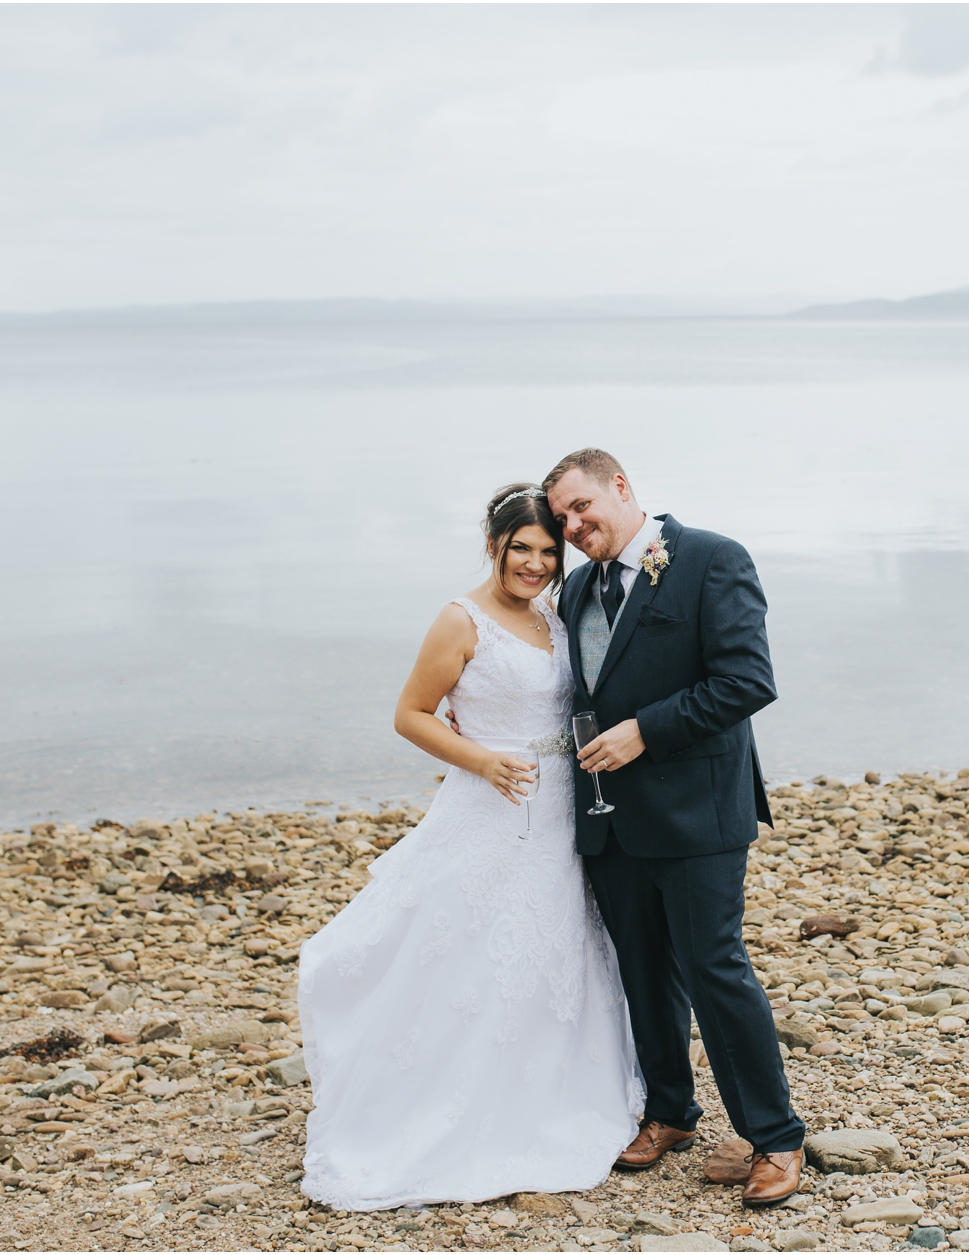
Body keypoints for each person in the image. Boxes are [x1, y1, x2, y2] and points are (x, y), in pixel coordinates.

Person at [296, 483, 642, 1210]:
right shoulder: (461, 620)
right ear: (495, 545)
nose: (537, 563)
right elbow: (410, 714)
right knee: (471, 952)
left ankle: (547, 1090)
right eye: (522, 549)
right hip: (490, 805)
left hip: (555, 815)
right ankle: (448, 1101)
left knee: (552, 947)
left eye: (550, 551)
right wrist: (482, 759)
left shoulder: (553, 617)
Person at [543, 448, 807, 1208]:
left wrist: (644, 732)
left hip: (698, 814)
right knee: (642, 971)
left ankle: (776, 1135)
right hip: (609, 819)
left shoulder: (710, 559)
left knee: (713, 969)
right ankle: (669, 1112)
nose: (572, 525)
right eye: (561, 517)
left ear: (621, 486)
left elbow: (746, 679)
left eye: (582, 506)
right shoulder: (579, 588)